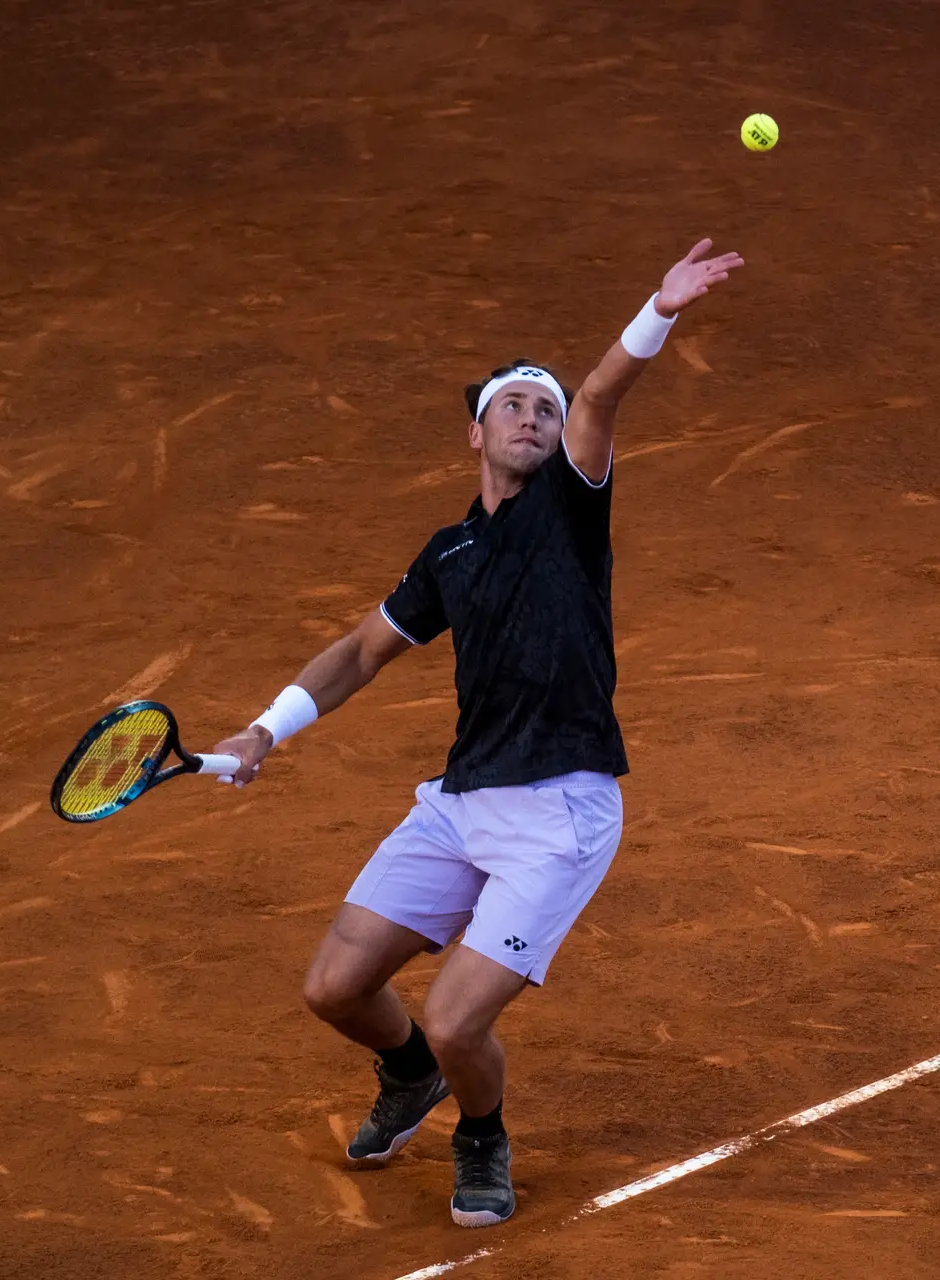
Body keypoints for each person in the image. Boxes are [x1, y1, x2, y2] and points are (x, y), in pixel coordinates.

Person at [211, 239, 744, 1227]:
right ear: (476, 432)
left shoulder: (571, 507)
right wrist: (262, 730)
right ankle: (409, 1077)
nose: (536, 416)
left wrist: (658, 308)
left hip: (562, 810)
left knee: (459, 1017)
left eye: (545, 407)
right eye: (515, 403)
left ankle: (481, 1131)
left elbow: (601, 397)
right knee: (334, 986)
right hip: (460, 804)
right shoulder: (450, 550)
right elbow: (362, 650)